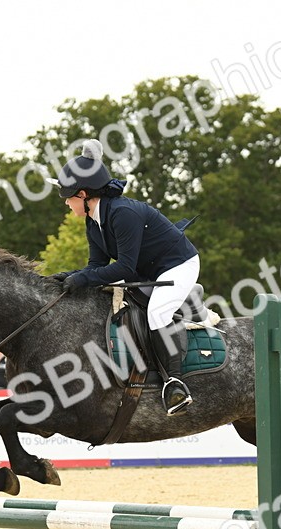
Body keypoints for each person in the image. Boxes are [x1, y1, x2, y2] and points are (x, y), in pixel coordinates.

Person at [51, 139, 200, 416]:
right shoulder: (93, 220)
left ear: (83, 194)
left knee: (157, 313)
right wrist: (69, 276)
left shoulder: (122, 214)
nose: (67, 204)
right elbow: (97, 264)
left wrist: (83, 279)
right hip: (149, 270)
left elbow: (125, 268)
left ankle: (175, 383)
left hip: (178, 264)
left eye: (68, 198)